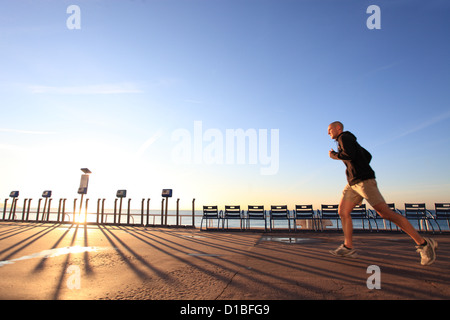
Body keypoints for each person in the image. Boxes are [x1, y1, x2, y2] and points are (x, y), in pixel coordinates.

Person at [327, 121, 437, 265]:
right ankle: (348, 247)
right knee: (343, 211)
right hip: (353, 183)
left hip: (364, 181)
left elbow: (349, 155)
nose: (328, 133)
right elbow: (367, 156)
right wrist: (359, 165)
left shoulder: (344, 137)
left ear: (338, 128)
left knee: (385, 213)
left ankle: (424, 244)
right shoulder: (349, 140)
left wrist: (334, 155)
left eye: (330, 130)